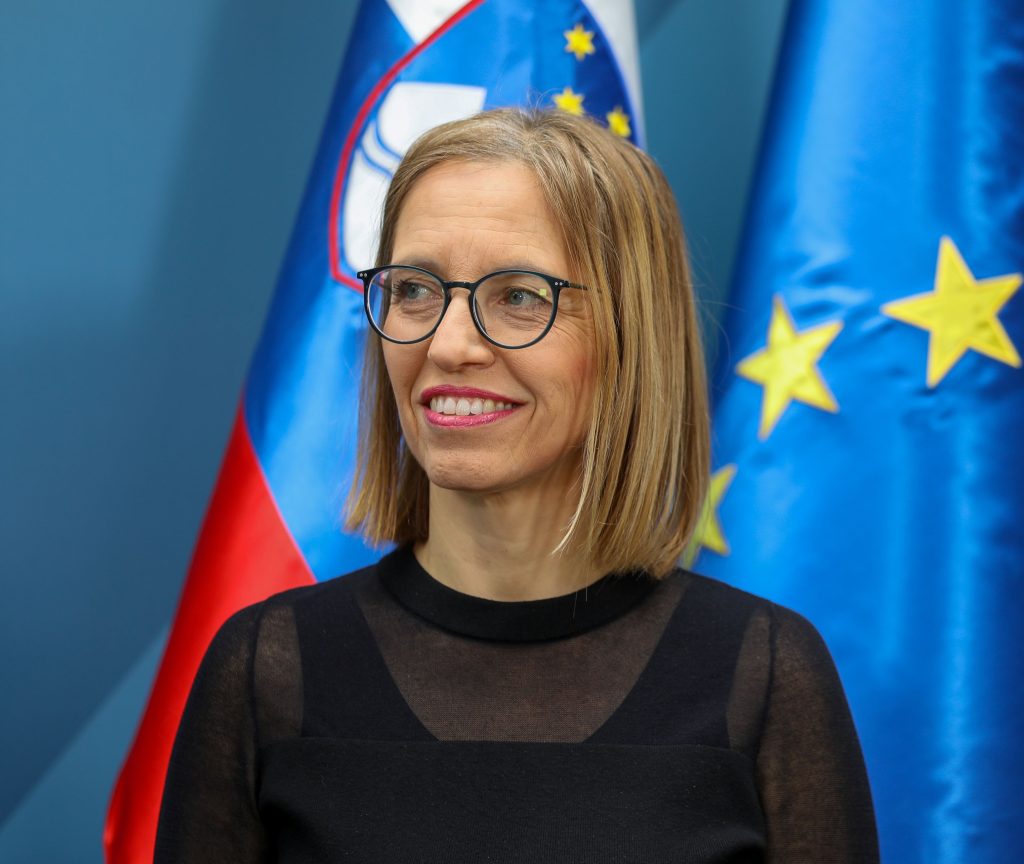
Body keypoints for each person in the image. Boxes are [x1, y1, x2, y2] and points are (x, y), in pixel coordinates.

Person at [154, 108, 879, 862]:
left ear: (631, 334)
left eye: (520, 297)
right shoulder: (271, 667)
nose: (448, 344)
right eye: (414, 289)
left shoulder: (763, 674)